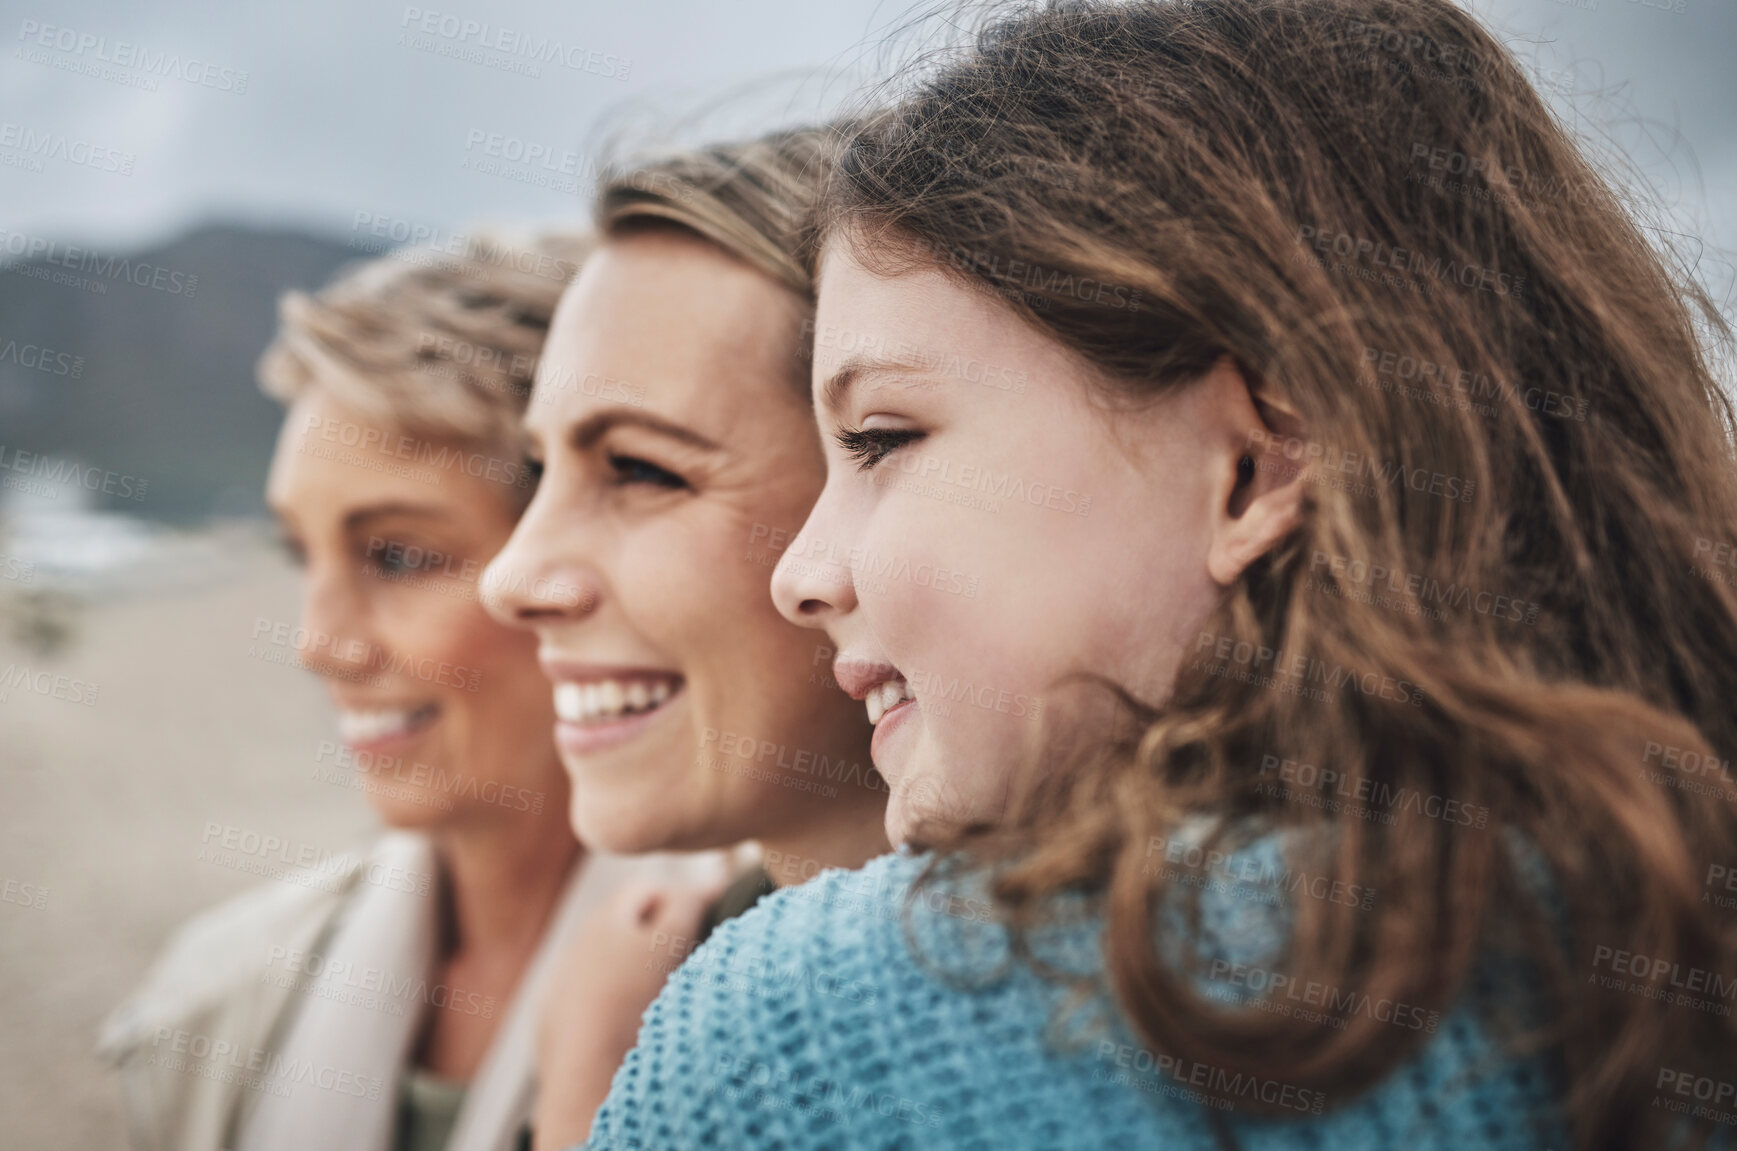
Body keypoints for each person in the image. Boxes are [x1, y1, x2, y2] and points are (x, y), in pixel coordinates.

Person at [581, 2, 1737, 1149]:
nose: (802, 574)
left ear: (1254, 465)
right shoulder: (1657, 927)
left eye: (883, 438)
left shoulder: (816, 1024)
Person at [100, 232, 717, 1151]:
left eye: (397, 555)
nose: (320, 645)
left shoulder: (756, 1006)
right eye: (300, 554)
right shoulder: (215, 1006)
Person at [479, 129, 892, 1149]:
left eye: (641, 469)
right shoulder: (662, 974)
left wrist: (586, 1112)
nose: (511, 578)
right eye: (541, 473)